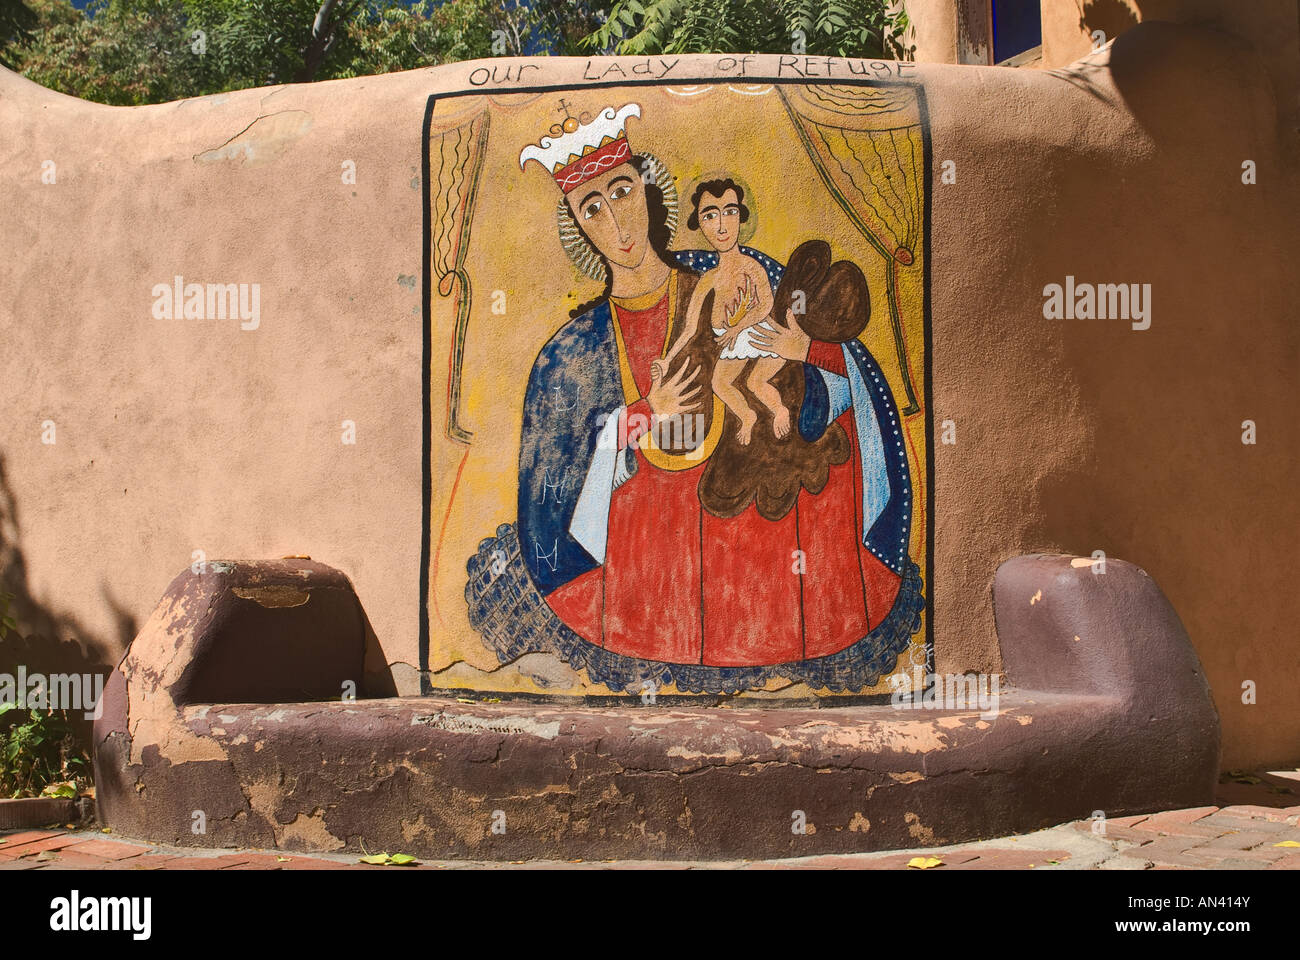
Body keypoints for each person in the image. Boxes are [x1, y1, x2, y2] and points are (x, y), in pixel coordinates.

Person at [498, 102, 921, 687]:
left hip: (742, 527)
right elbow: (558, 485)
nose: (617, 222)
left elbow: (829, 368)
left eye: (622, 192)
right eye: (591, 208)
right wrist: (647, 416)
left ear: (648, 193)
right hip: (647, 564)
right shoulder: (572, 350)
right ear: (578, 229)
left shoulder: (723, 280)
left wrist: (798, 356)